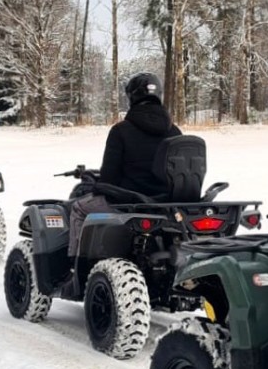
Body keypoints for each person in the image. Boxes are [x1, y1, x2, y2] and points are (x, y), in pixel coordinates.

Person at [63, 73, 182, 283]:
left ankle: (76, 270)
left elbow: (109, 176)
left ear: (132, 97)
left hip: (130, 202)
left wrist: (97, 186)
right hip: (166, 203)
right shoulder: (175, 131)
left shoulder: (121, 131)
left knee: (79, 208)